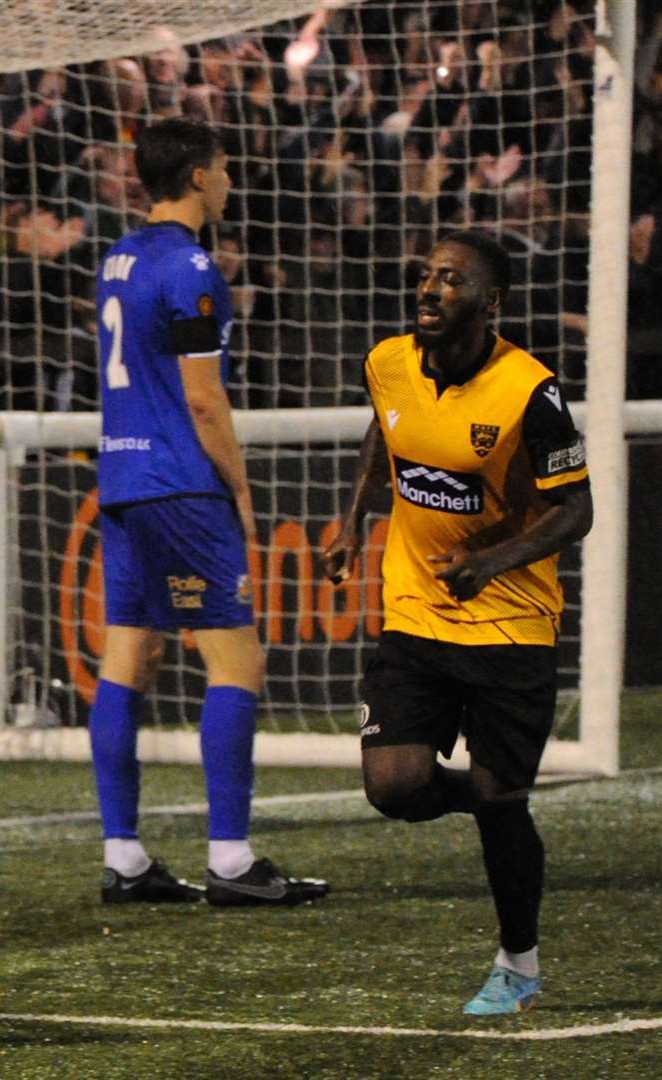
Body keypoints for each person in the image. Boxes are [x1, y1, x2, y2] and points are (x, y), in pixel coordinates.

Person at [322, 231, 593, 1015]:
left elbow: (576, 509)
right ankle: (488, 792)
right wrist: (351, 521)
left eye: (450, 280)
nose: (430, 289)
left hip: (509, 623)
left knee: (503, 809)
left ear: (490, 302)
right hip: (415, 607)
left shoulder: (530, 394)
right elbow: (384, 433)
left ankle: (518, 964)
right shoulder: (387, 362)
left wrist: (495, 559)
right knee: (393, 786)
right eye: (426, 275)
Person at [88, 118, 328, 907]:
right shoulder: (192, 266)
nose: (228, 181)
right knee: (235, 662)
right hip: (181, 484)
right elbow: (200, 394)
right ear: (197, 177)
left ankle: (123, 856)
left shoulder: (117, 257)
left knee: (128, 658)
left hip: (120, 482)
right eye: (222, 169)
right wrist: (242, 487)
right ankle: (231, 859)